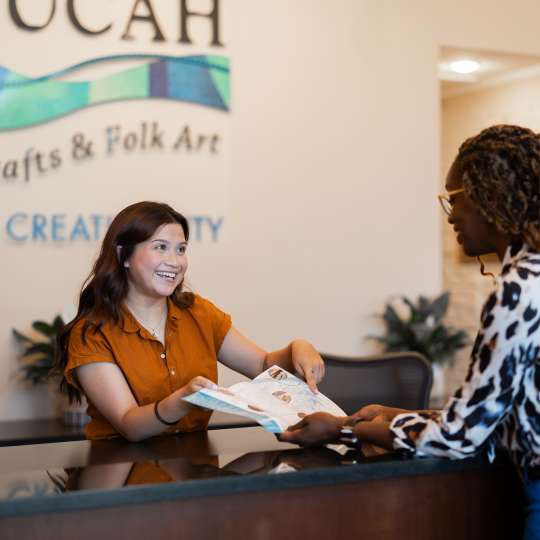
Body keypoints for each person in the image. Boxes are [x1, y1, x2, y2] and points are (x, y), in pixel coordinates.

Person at [279, 125, 540, 538]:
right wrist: (394, 417)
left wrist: (342, 428)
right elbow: (496, 416)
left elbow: (461, 435)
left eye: (455, 199)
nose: (452, 215)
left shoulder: (519, 290)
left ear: (491, 195)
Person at [54, 201, 325, 442]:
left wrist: (295, 350)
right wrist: (184, 400)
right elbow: (129, 424)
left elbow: (263, 366)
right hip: (118, 472)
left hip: (191, 464)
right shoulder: (91, 333)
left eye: (181, 249)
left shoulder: (198, 312)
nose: (174, 262)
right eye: (160, 247)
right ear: (124, 255)